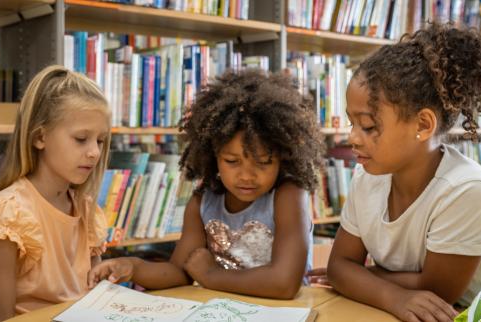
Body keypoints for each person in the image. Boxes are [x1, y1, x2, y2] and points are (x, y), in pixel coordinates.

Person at [309, 22, 481, 322]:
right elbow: (339, 268)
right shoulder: (367, 176)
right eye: (352, 123)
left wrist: (364, 276)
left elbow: (437, 291)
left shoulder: (467, 189)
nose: (353, 138)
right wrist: (388, 291)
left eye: (369, 126)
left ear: (423, 125)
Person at [89, 69, 325, 299]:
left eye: (263, 162)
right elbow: (179, 272)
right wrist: (131, 266)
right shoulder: (203, 202)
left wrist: (211, 275)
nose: (247, 175)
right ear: (213, 157)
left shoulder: (289, 195)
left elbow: (284, 283)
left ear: (283, 159)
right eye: (232, 161)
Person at [0, 66, 111, 322]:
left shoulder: (86, 209)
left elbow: (96, 298)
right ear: (40, 137)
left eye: (100, 141)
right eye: (81, 139)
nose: (95, 153)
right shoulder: (9, 214)